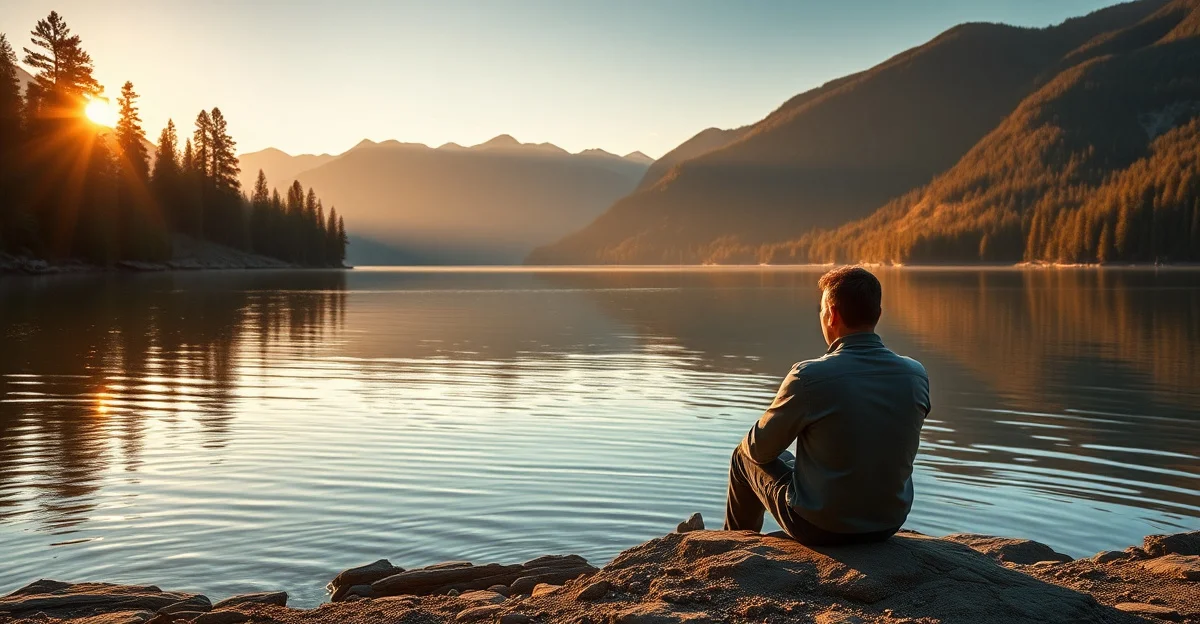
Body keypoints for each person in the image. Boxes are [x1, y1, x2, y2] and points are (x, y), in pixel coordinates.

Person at [723, 266, 930, 546]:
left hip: (820, 527)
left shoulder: (809, 377)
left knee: (742, 456)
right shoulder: (915, 374)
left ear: (831, 314)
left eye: (821, 311)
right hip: (888, 524)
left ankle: (733, 548)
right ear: (877, 315)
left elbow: (759, 450)